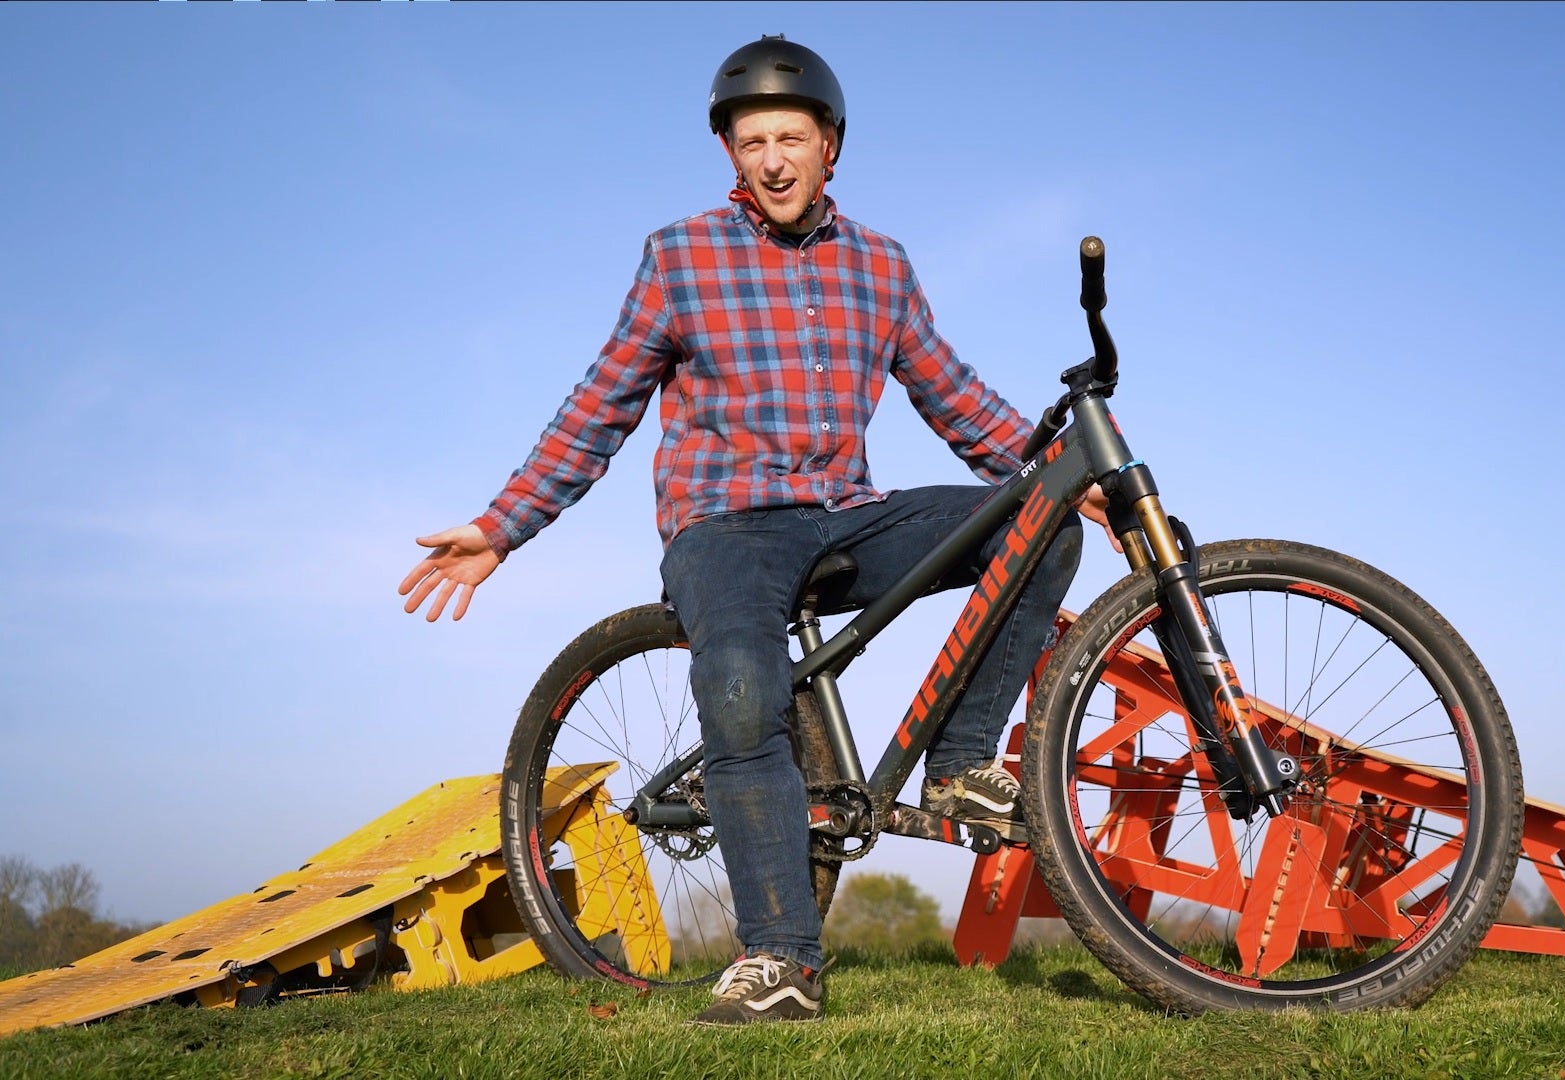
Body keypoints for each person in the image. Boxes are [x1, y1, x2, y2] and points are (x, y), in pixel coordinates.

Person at [397, 35, 1103, 1025]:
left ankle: (959, 766)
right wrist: (502, 527)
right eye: (751, 139)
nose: (771, 157)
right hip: (723, 526)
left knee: (1040, 525)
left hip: (846, 519)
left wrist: (1059, 478)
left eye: (791, 137)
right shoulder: (680, 255)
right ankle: (778, 959)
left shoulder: (879, 265)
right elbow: (600, 405)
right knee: (740, 693)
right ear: (730, 152)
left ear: (830, 149)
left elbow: (956, 400)